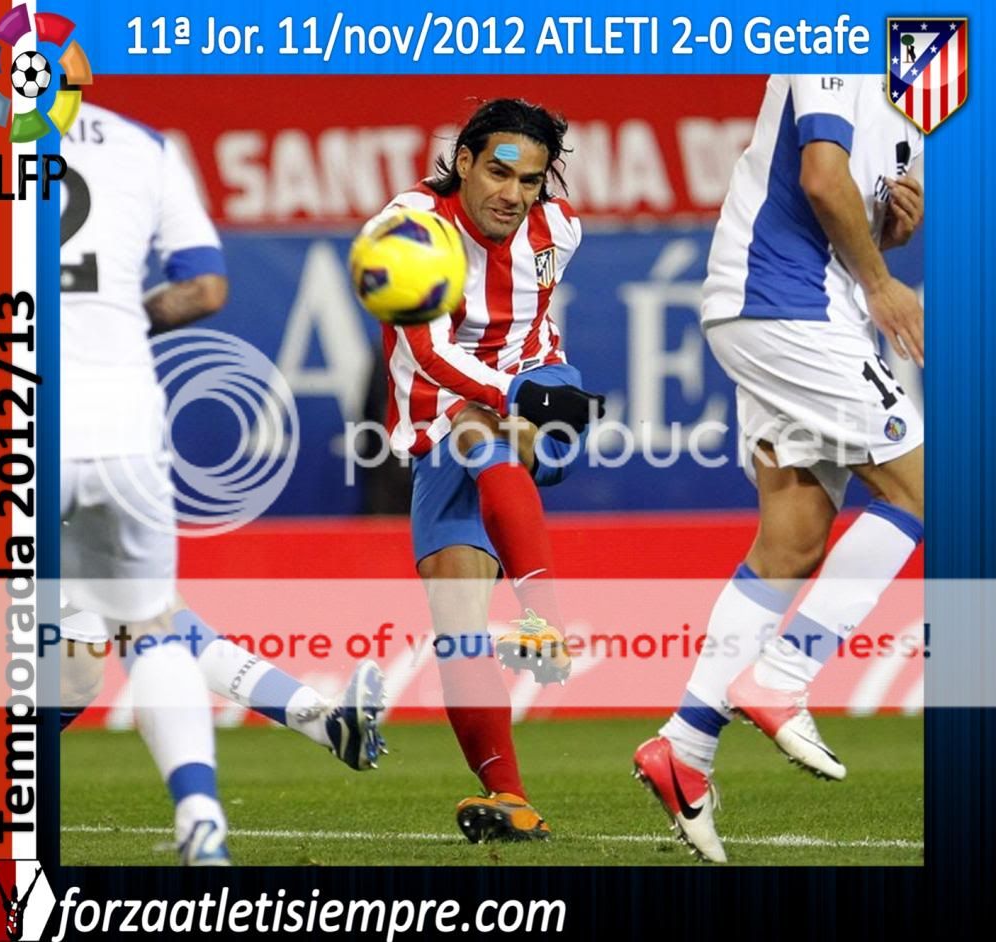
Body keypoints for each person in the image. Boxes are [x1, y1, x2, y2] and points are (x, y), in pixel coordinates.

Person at [58, 102, 385, 866]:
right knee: (144, 623)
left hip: (26, 420)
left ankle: (311, 721)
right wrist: (116, 322)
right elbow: (204, 287)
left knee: (72, 655)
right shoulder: (142, 146)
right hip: (125, 419)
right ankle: (295, 734)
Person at [633, 75, 925, 863]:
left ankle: (683, 748)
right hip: (787, 304)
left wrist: (890, 231)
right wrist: (882, 283)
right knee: (926, 490)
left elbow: (853, 203)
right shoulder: (832, 31)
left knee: (792, 541)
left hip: (784, 308)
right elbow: (820, 177)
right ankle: (782, 676)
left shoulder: (926, 74)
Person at [376, 98, 604, 842]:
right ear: (465, 160)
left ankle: (546, 621)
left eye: (530, 180)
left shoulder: (558, 230)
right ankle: (509, 798)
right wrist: (514, 389)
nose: (513, 193)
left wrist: (547, 381)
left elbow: (538, 318)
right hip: (441, 418)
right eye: (500, 172)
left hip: (519, 409)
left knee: (483, 436)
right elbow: (430, 353)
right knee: (457, 627)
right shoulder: (411, 228)